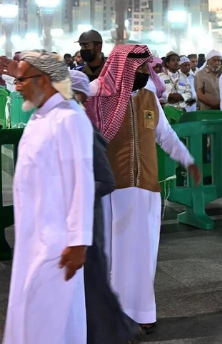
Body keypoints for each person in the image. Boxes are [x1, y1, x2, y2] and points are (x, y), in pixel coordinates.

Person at [85, 44, 201, 334]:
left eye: (144, 68)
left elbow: (165, 135)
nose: (142, 73)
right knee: (113, 254)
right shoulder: (97, 96)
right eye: (136, 69)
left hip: (147, 186)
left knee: (144, 253)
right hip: (112, 189)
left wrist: (188, 160)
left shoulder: (149, 97)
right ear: (122, 68)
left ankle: (140, 311)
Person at [3, 52, 94, 344]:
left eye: (20, 80)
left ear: (43, 79)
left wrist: (79, 240)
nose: (16, 86)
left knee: (46, 314)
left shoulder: (69, 117)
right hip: (35, 234)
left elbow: (82, 182)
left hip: (56, 240)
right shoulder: (43, 113)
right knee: (46, 316)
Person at [68, 70, 138, 344]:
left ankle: (118, 332)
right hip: (75, 220)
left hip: (87, 221)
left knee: (94, 283)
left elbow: (105, 180)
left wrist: (72, 195)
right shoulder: (66, 123)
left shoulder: (83, 127)